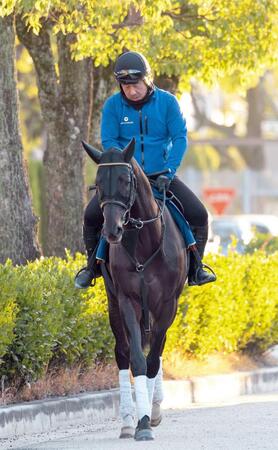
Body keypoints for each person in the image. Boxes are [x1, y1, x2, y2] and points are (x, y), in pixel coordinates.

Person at [75, 51, 216, 289]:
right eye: (125, 86)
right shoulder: (112, 106)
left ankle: (196, 268)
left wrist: (168, 172)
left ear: (147, 79)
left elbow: (180, 137)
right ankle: (91, 268)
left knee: (199, 214)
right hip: (124, 178)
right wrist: (124, 168)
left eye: (135, 84)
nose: (131, 90)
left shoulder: (168, 103)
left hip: (162, 176)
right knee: (91, 216)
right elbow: (109, 141)